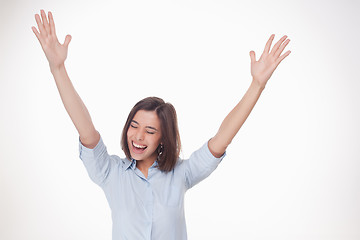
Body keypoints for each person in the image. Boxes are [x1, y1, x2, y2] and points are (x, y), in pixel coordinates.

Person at [32, 9, 291, 240]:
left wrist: (257, 84)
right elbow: (85, 128)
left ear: (162, 138)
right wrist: (58, 68)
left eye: (150, 130)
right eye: (134, 125)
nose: (138, 136)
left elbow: (222, 137)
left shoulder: (181, 174)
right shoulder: (111, 173)